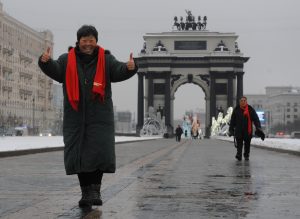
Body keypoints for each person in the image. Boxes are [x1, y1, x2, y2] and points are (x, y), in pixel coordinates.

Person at [38, 25, 138, 208]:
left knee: (98, 154)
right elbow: (56, 70)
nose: (88, 44)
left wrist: (130, 68)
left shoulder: (106, 60)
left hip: (100, 117)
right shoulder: (66, 59)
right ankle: (86, 192)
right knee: (79, 155)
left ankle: (95, 190)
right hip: (75, 116)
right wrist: (45, 62)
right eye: (84, 40)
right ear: (79, 41)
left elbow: (119, 71)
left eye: (91, 40)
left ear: (96, 41)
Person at [228, 96, 264, 161]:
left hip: (248, 130)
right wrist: (231, 129)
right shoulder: (236, 109)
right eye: (241, 101)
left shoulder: (250, 109)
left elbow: (256, 119)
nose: (243, 102)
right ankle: (239, 155)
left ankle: (246, 155)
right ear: (239, 102)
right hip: (239, 130)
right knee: (239, 144)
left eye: (244, 100)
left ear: (246, 101)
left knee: (247, 144)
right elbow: (232, 120)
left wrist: (258, 127)